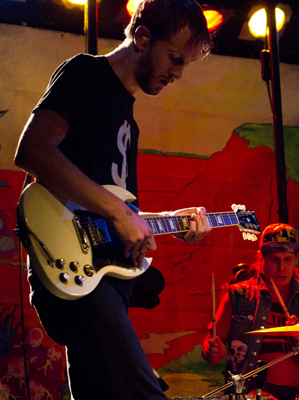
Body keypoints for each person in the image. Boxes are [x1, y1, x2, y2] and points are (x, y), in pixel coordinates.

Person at [13, 0, 213, 399]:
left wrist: (166, 220)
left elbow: (109, 211)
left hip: (102, 277)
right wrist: (119, 211)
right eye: (175, 58)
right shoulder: (85, 73)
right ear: (142, 37)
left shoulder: (128, 121)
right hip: (71, 270)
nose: (177, 74)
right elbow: (32, 150)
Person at [202, 223, 299, 400]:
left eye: (288, 259)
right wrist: (213, 350)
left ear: (296, 258)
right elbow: (212, 347)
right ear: (260, 258)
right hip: (251, 392)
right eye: (274, 259)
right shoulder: (237, 295)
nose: (282, 267)